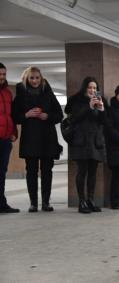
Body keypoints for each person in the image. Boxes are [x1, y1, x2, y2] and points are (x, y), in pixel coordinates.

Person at [12, 66, 63, 212]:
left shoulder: (47, 91)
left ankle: (46, 202)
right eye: (32, 78)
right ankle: (33, 203)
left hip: (47, 138)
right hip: (30, 138)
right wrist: (26, 115)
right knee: (31, 171)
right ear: (27, 79)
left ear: (41, 78)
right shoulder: (21, 93)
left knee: (47, 171)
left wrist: (47, 116)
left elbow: (59, 114)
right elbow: (15, 116)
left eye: (37, 78)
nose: (35, 81)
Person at [64, 76, 107, 214]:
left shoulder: (100, 101)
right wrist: (89, 107)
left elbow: (105, 122)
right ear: (84, 88)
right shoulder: (76, 101)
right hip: (81, 141)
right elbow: (74, 119)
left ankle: (90, 200)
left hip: (95, 141)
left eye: (95, 88)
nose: (92, 90)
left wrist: (101, 110)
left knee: (93, 172)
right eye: (90, 87)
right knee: (82, 171)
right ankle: (81, 201)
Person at [0, 62, 19, 213]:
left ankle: (1, 203)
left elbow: (9, 115)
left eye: (4, 74)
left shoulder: (7, 93)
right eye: (0, 74)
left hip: (5, 139)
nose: (2, 77)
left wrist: (13, 131)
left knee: (2, 171)